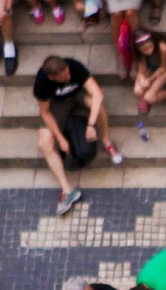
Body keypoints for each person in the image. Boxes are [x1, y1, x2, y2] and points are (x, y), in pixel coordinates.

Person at [31, 55, 120, 216]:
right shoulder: (42, 83)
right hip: (57, 105)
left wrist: (91, 125)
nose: (68, 77)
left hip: (79, 96)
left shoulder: (73, 66)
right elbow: (44, 113)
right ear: (52, 78)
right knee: (44, 143)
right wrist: (60, 138)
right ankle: (67, 190)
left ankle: (107, 142)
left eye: (67, 72)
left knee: (97, 106)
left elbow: (98, 94)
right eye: (63, 76)